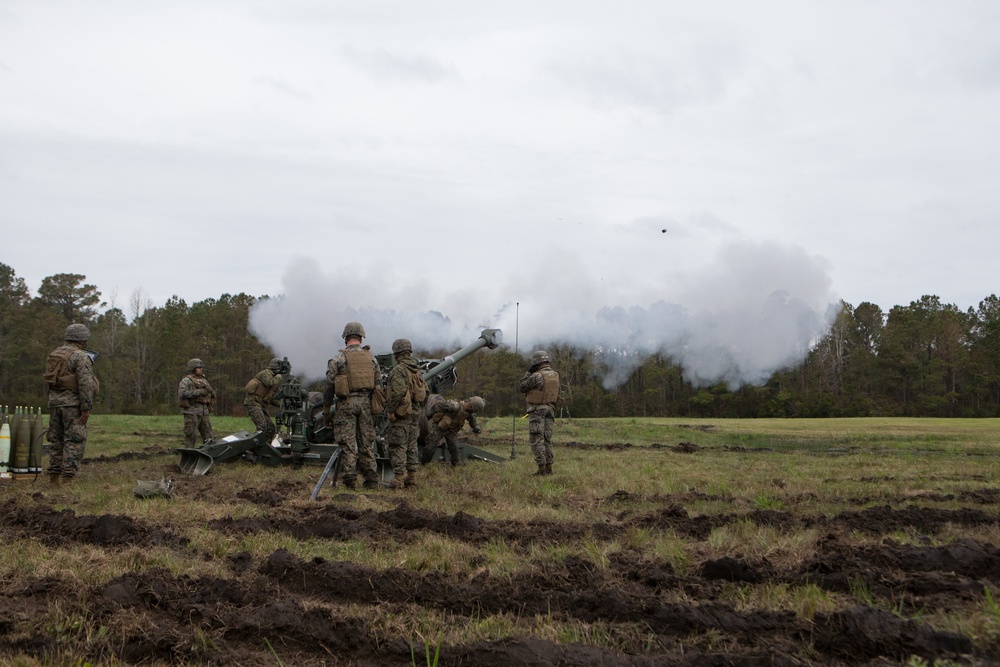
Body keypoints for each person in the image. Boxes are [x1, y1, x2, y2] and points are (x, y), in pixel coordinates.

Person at [322, 322, 381, 489]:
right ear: (361, 338)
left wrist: (326, 411)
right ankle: (371, 480)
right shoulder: (372, 359)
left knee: (347, 444)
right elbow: (378, 385)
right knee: (366, 443)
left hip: (346, 403)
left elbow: (328, 386)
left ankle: (350, 481)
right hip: (366, 404)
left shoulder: (338, 359)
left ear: (345, 338)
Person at [43, 323, 97, 485]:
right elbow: (86, 384)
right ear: (83, 339)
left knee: (56, 440)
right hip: (73, 405)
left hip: (55, 404)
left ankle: (53, 477)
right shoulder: (81, 356)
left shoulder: (55, 354)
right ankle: (67, 478)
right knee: (74, 440)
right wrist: (86, 408)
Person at [384, 338, 429, 489]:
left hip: (402, 415)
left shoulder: (399, 370)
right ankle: (412, 479)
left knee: (398, 446)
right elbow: (426, 392)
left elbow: (397, 392)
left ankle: (397, 481)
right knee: (412, 446)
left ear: (396, 352)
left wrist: (391, 411)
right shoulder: (417, 371)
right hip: (415, 415)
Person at [519, 350, 560, 476]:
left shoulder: (537, 376)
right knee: (547, 439)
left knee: (537, 438)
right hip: (551, 409)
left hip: (538, 410)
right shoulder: (555, 375)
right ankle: (549, 468)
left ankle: (541, 469)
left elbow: (522, 387)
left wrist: (528, 372)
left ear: (536, 362)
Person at [423, 395, 484, 467]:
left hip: (451, 431)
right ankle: (425, 464)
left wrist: (475, 427)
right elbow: (438, 404)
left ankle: (456, 466)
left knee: (455, 448)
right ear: (471, 405)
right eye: (474, 410)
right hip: (439, 428)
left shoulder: (469, 413)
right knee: (430, 447)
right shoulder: (454, 406)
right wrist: (429, 414)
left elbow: (472, 420)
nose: (473, 411)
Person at [244, 357, 284, 443]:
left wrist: (281, 404)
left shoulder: (274, 377)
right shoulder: (266, 373)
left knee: (270, 428)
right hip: (253, 403)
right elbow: (270, 383)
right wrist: (278, 377)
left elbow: (271, 399)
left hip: (261, 405)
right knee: (262, 426)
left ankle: (265, 448)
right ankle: (251, 448)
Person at [178, 358, 215, 447]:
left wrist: (210, 392)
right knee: (191, 436)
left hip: (204, 412)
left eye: (201, 367)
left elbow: (210, 393)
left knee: (209, 436)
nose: (201, 369)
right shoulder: (186, 381)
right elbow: (182, 394)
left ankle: (209, 455)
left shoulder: (204, 380)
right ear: (193, 368)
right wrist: (198, 392)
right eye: (199, 367)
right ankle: (189, 456)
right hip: (191, 412)